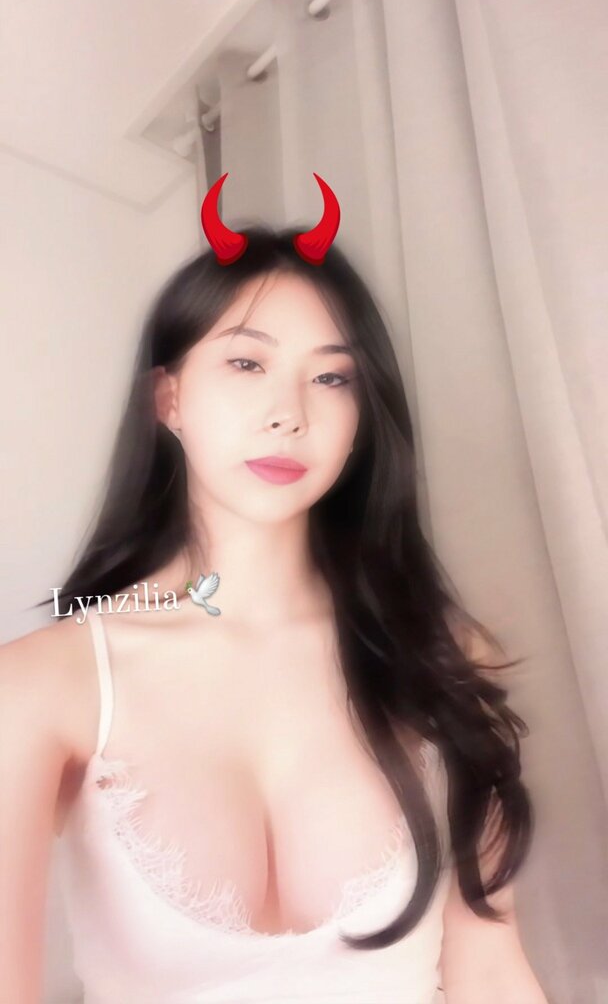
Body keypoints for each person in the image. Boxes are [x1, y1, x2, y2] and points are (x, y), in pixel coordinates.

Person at [0, 175, 549, 1003]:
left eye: (332, 378)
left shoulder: (442, 657)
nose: (288, 413)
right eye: (247, 363)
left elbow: (492, 974)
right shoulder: (46, 683)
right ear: (169, 397)